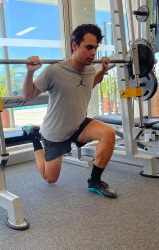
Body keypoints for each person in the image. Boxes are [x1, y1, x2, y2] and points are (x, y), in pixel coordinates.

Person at [22, 24, 117, 198]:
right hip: (55, 132)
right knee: (50, 178)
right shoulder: (54, 71)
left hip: (78, 124)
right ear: (74, 46)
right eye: (89, 47)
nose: (93, 53)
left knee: (109, 133)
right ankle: (35, 138)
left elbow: (91, 83)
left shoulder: (89, 70)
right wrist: (30, 73)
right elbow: (29, 95)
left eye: (95, 48)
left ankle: (95, 181)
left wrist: (102, 71)